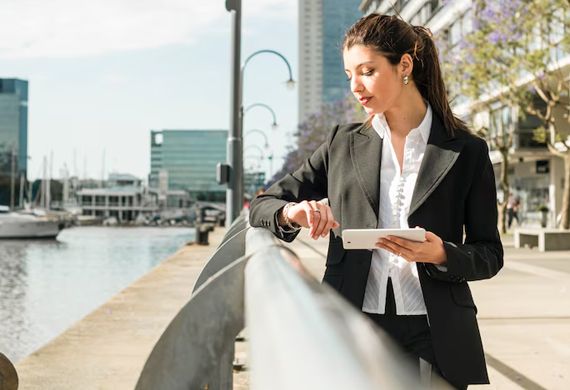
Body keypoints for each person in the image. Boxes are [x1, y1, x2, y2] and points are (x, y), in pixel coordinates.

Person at [249, 14, 503, 389]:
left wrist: (442, 254)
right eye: (350, 74)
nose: (355, 86)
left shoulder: (466, 151)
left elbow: (490, 253)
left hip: (437, 332)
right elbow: (263, 204)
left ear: (404, 65)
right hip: (354, 319)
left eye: (367, 71)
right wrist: (294, 212)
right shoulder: (342, 143)